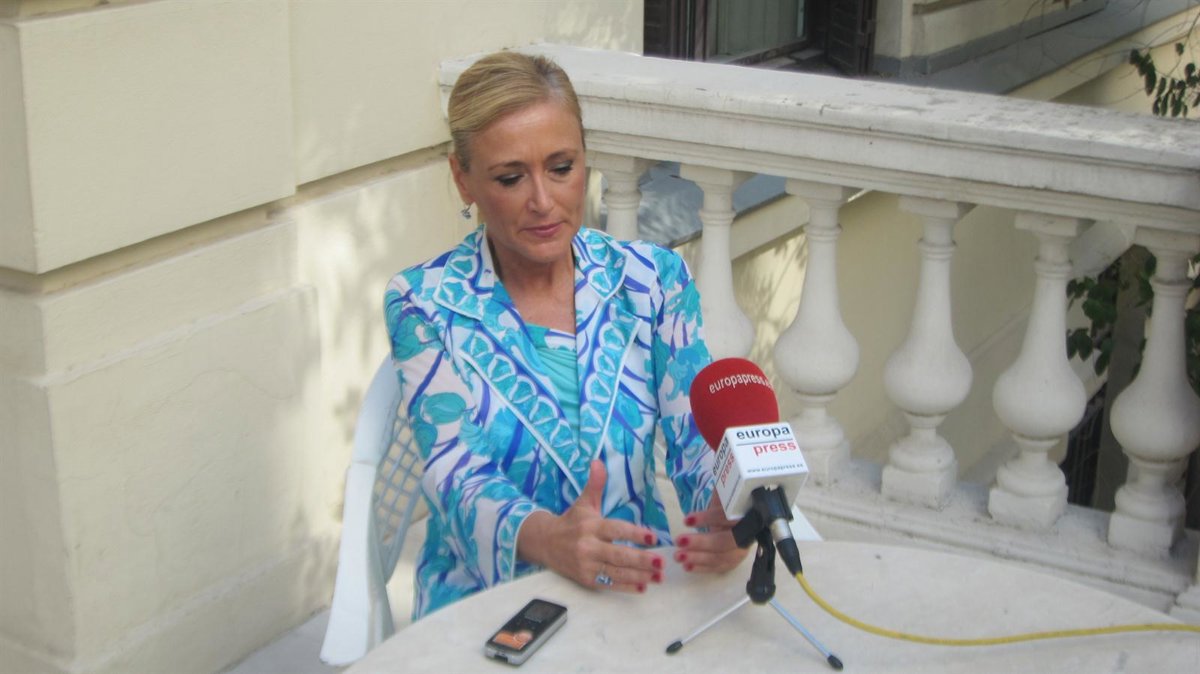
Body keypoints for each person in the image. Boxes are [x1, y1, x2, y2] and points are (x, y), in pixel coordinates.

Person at [384, 50, 748, 619]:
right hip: (485, 606)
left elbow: (696, 435)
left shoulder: (650, 281)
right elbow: (454, 471)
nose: (543, 201)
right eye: (510, 177)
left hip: (632, 584)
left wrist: (727, 511)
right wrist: (549, 539)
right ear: (463, 179)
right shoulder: (425, 302)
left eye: (561, 167)